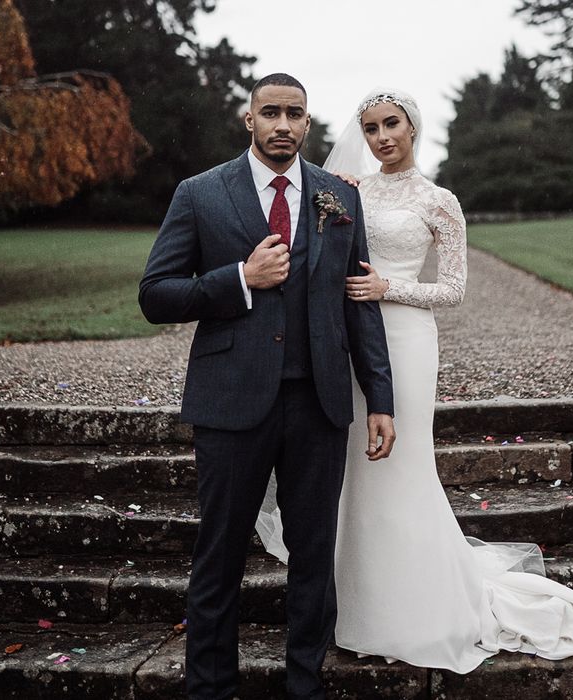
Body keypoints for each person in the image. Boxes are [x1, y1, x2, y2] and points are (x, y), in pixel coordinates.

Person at [258, 87, 573, 673]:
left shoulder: (439, 201)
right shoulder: (343, 191)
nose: (381, 138)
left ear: (412, 126)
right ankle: (352, 607)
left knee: (400, 467)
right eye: (371, 128)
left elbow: (453, 289)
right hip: (351, 342)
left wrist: (388, 288)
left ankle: (415, 610)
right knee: (351, 471)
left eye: (391, 125)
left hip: (406, 339)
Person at [139, 73, 396, 700]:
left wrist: (380, 399)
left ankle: (305, 685)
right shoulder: (200, 194)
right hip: (231, 402)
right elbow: (155, 295)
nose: (283, 124)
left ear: (308, 124)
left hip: (321, 401)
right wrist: (240, 278)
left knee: (313, 556)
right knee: (220, 554)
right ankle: (211, 689)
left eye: (295, 114)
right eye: (271, 113)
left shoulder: (340, 197)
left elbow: (358, 301)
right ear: (248, 119)